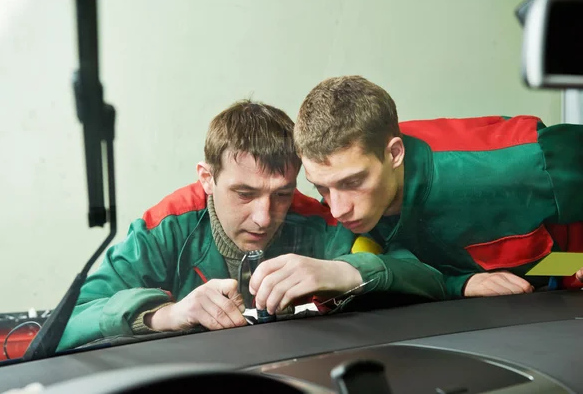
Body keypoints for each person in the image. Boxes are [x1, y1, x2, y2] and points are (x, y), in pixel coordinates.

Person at [57, 99, 447, 351]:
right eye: (244, 193)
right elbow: (69, 321)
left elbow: (425, 277)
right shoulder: (165, 227)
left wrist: (343, 271)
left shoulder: (318, 219)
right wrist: (164, 315)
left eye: (281, 194)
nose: (264, 217)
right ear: (206, 178)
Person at [293, 75, 583, 299]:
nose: (339, 208)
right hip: (535, 286)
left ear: (394, 154)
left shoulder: (511, 163)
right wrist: (459, 283)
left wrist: (574, 264)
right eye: (322, 188)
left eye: (353, 183)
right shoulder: (344, 189)